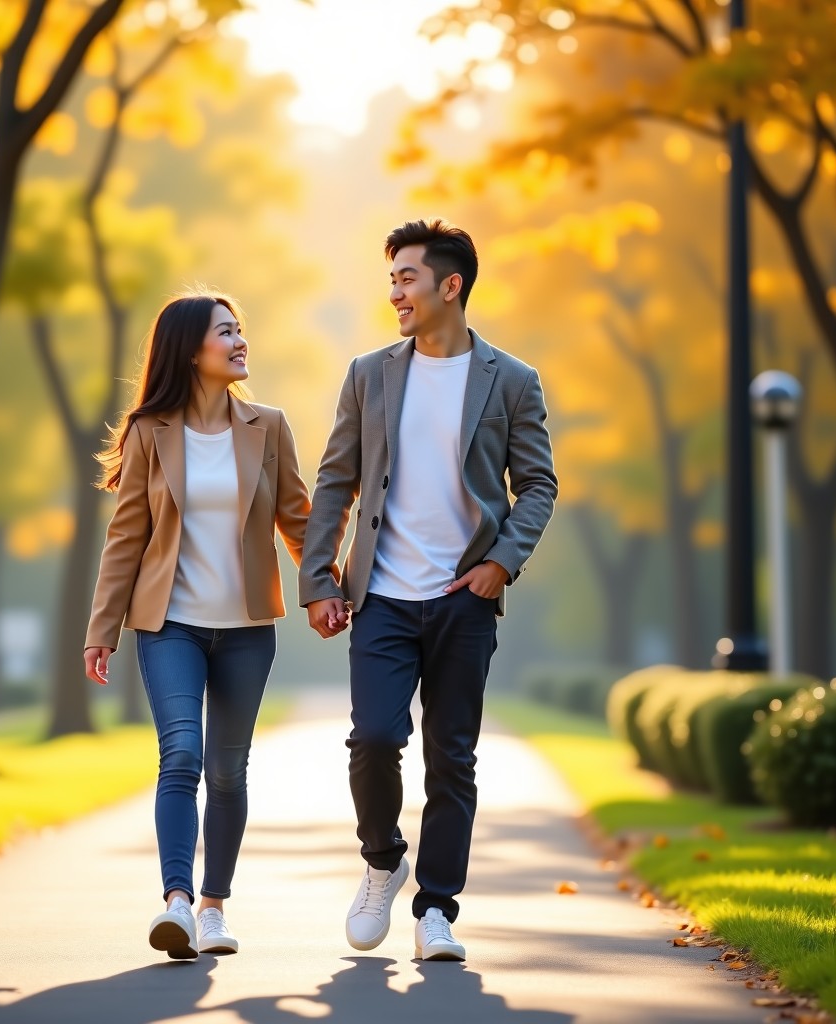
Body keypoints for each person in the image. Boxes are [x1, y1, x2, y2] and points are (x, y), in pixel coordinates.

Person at [299, 218, 558, 961]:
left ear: (452, 286)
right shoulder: (369, 373)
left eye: (406, 279)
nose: (395, 294)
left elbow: (537, 485)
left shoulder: (511, 381)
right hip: (380, 594)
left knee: (453, 757)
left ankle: (437, 909)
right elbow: (336, 479)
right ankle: (382, 860)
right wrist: (320, 579)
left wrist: (501, 562)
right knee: (375, 737)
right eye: (391, 281)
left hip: (463, 601)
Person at [84, 291, 310, 960]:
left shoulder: (268, 426)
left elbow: (297, 519)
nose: (241, 341)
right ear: (190, 350)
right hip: (169, 626)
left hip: (245, 629)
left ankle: (214, 907)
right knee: (180, 754)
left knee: (229, 770)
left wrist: (329, 589)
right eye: (225, 332)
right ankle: (177, 903)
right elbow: (126, 537)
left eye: (241, 330)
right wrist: (103, 628)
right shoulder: (151, 433)